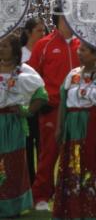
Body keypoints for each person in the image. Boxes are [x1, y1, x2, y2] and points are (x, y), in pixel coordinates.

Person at [52, 42, 96, 220]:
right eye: (79, 49)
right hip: (74, 128)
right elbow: (63, 101)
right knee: (75, 167)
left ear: (95, 54)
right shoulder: (73, 74)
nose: (79, 52)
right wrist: (60, 127)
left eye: (83, 50)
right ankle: (74, 209)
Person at [28, 5, 80, 211]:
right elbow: (31, 77)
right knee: (49, 153)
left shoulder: (83, 44)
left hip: (78, 108)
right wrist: (42, 100)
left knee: (77, 152)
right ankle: (41, 196)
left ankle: (73, 192)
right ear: (60, 19)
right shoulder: (44, 45)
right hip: (53, 108)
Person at [0, 34, 48, 218]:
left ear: (14, 49)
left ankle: (12, 207)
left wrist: (26, 111)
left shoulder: (24, 71)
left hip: (13, 123)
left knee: (12, 165)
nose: (1, 49)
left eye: (5, 45)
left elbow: (41, 95)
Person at [20, 17, 46, 184]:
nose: (43, 34)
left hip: (43, 104)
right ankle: (29, 181)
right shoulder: (19, 53)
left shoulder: (45, 50)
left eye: (44, 30)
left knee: (43, 146)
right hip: (24, 106)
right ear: (28, 32)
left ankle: (42, 182)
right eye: (39, 30)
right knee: (27, 145)